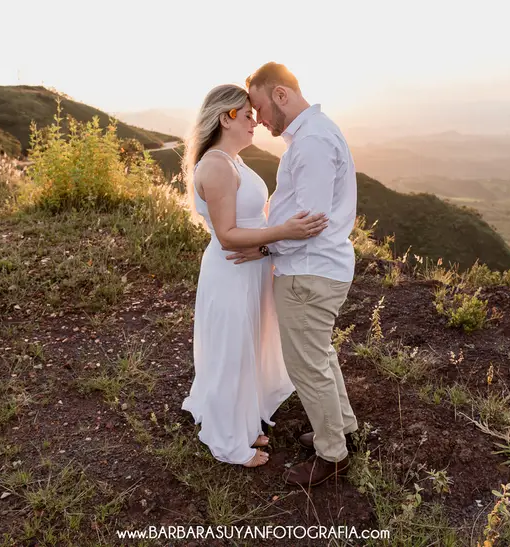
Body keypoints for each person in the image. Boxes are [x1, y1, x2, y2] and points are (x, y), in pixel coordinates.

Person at [181, 84, 329, 468]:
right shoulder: (215, 165)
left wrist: (270, 245)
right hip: (232, 272)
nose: (256, 123)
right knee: (232, 350)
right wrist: (284, 233)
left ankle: (243, 421)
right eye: (247, 116)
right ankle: (228, 440)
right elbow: (228, 235)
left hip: (252, 269)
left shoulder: (233, 161)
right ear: (224, 118)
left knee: (249, 346)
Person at [229, 62, 359, 486]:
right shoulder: (312, 135)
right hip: (314, 267)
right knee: (319, 355)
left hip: (309, 270)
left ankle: (332, 454)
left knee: (306, 366)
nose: (260, 120)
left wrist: (265, 244)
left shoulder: (313, 141)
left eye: (262, 108)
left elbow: (311, 220)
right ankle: (342, 429)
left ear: (282, 95)